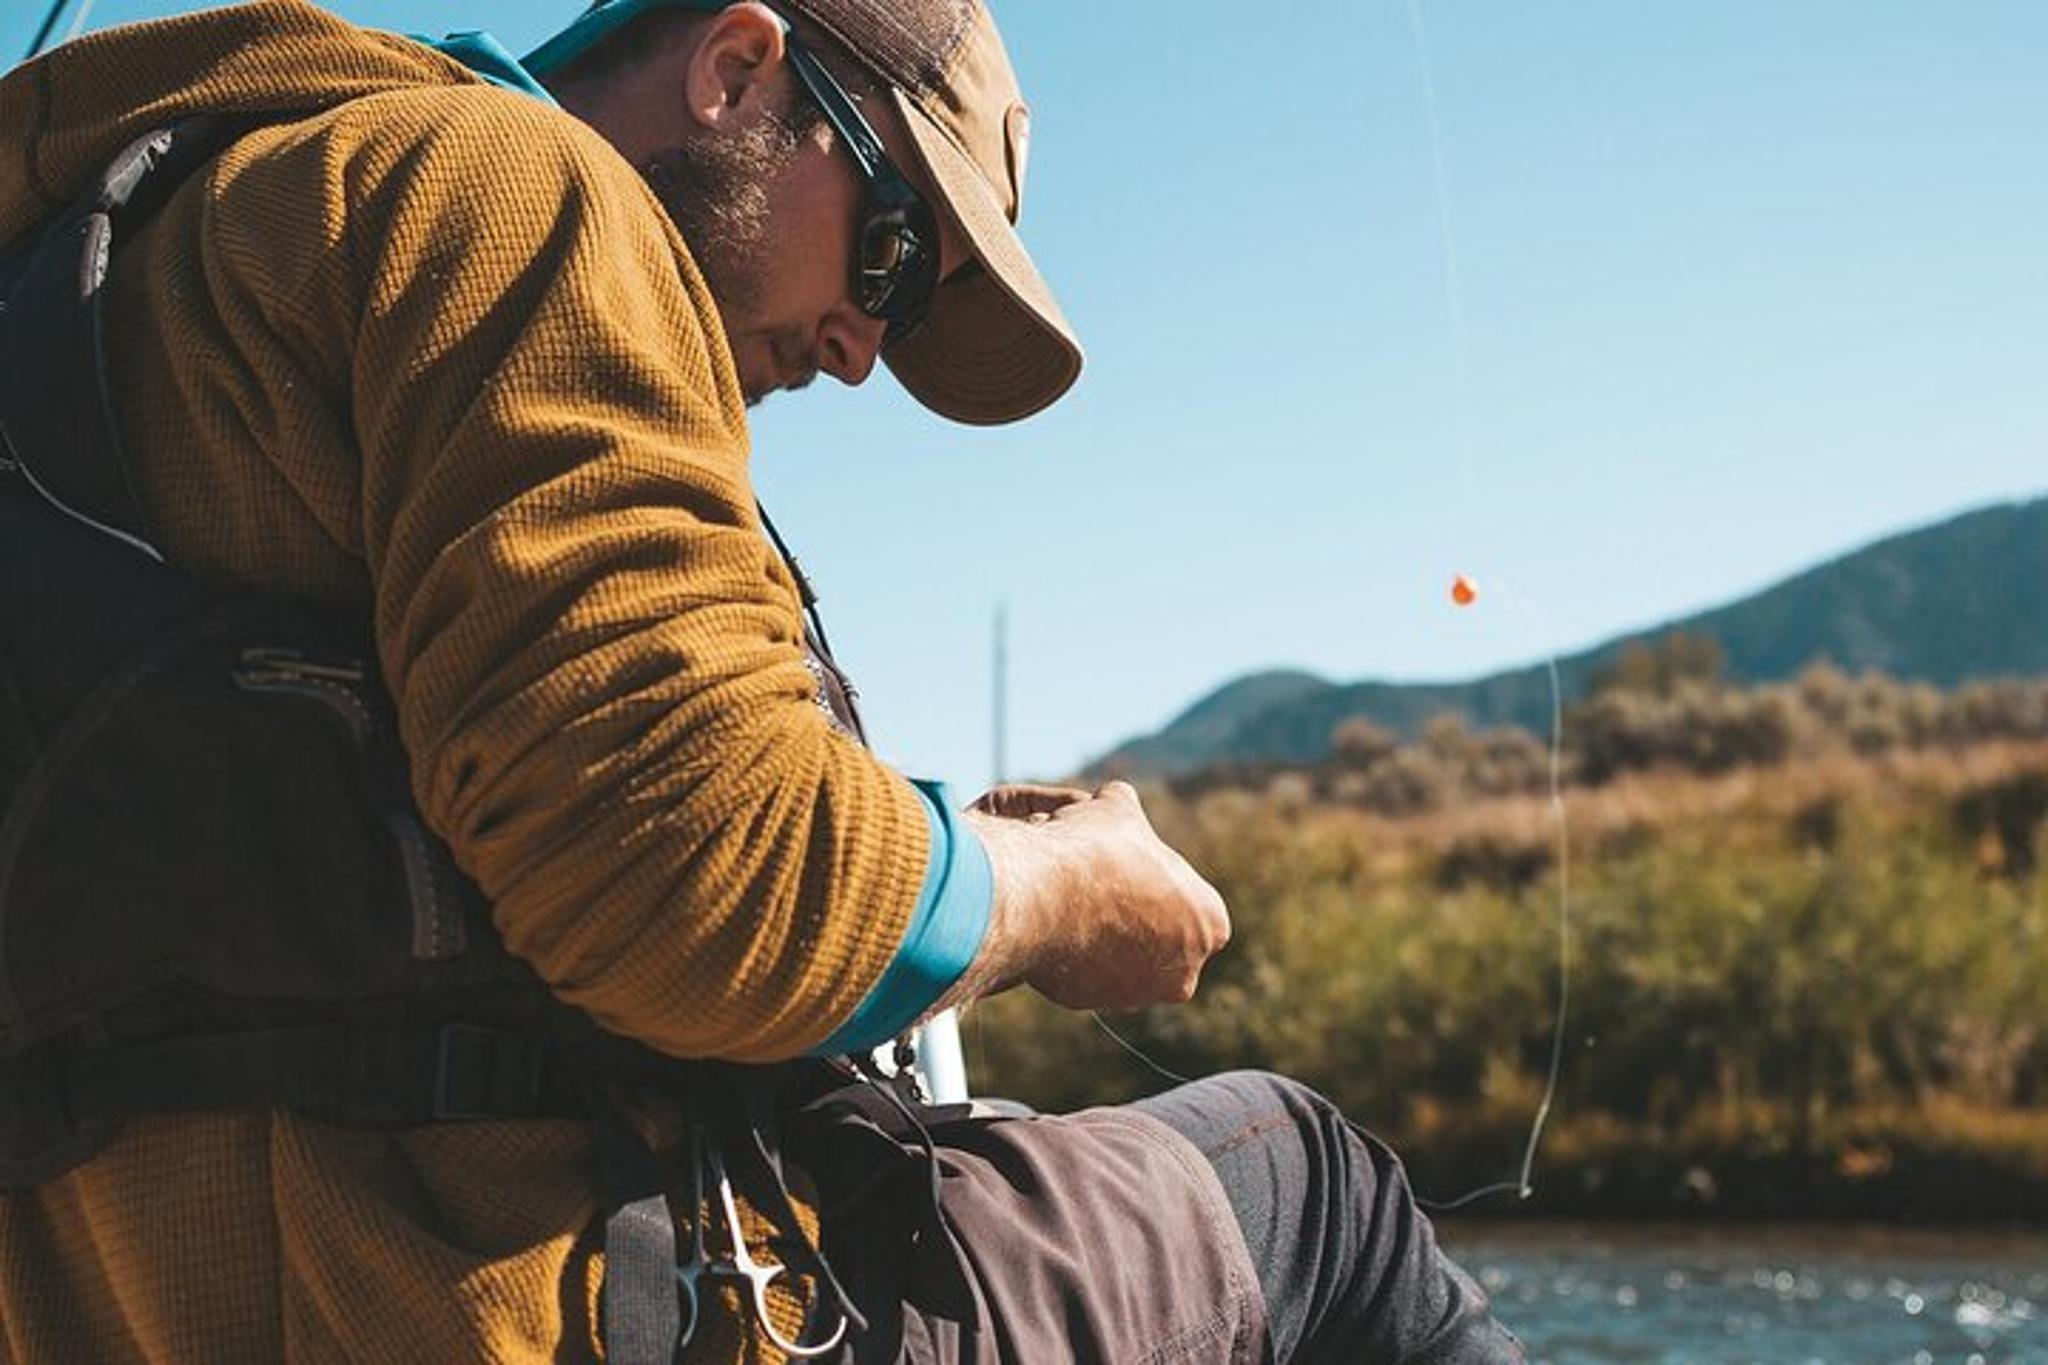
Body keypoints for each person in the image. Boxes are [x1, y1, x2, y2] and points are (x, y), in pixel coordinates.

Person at [0, 0, 1522, 1360]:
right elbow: (695, 871)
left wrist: (918, 841)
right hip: (551, 1301)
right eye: (893, 245)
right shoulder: (515, 196)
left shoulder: (147, 258)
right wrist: (1062, 885)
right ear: (737, 68)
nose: (866, 346)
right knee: (1304, 1182)